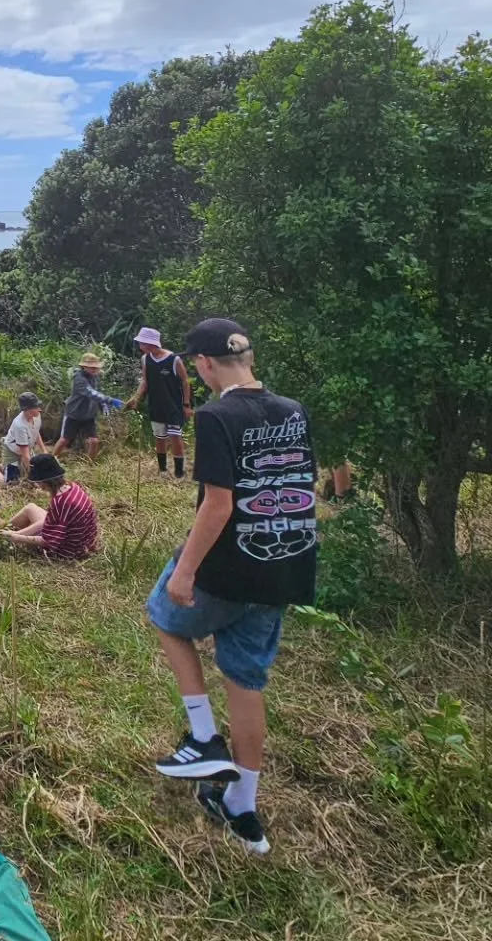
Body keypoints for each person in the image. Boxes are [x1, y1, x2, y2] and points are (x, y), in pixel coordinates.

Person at [146, 319, 318, 857]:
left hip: (229, 563)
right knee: (246, 680)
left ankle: (202, 738)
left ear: (202, 364)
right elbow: (301, 483)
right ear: (248, 355)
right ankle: (242, 805)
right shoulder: (293, 411)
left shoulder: (218, 416)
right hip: (284, 564)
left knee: (165, 619)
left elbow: (218, 503)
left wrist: (185, 570)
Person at [124, 327, 193, 479]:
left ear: (151, 344)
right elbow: (145, 381)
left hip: (173, 404)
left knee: (175, 436)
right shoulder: (145, 360)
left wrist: (186, 404)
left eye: (142, 343)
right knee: (160, 437)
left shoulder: (173, 360)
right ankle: (162, 470)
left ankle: (179, 472)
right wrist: (136, 398)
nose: (140, 347)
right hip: (156, 404)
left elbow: (185, 382)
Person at [3, 454, 100, 560]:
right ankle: (4, 533)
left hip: (68, 552)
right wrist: (17, 534)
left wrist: (18, 538)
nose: (37, 485)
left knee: (30, 511)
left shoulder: (61, 503)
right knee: (31, 508)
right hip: (85, 543)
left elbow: (48, 541)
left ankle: (2, 536)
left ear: (44, 482)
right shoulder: (73, 487)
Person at [53, 353, 120, 459]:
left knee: (94, 441)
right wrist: (110, 400)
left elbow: (97, 392)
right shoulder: (78, 378)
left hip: (88, 415)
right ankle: (51, 459)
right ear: (84, 367)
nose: (94, 370)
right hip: (74, 413)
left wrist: (103, 405)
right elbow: (90, 392)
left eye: (96, 367)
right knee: (65, 439)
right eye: (91, 367)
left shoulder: (95, 377)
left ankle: (90, 464)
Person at [1, 393, 42, 481]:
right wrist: (35, 477)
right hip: (13, 451)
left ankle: (7, 467)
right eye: (36, 407)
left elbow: (36, 432)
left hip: (27, 448)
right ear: (27, 410)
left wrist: (44, 450)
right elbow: (26, 455)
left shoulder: (37, 416)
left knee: (28, 472)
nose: (39, 409)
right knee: (12, 482)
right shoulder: (20, 425)